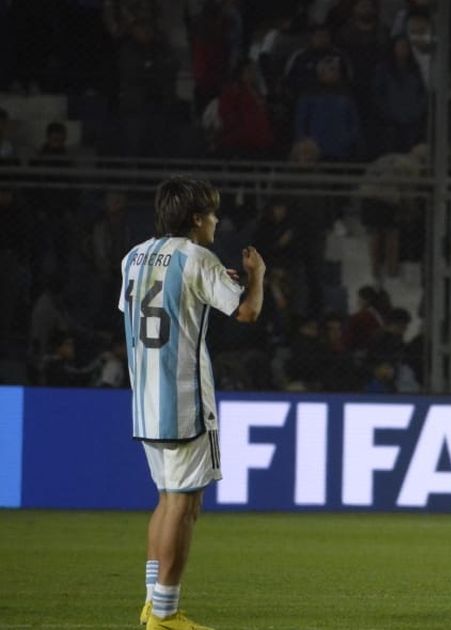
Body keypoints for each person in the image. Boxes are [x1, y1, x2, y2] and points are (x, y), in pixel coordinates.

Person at [120, 177, 265, 630]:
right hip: (182, 398)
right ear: (197, 218)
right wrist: (257, 278)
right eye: (214, 214)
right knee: (184, 505)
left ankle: (151, 605)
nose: (217, 222)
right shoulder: (198, 256)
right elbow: (246, 313)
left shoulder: (134, 256)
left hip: (144, 398)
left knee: (167, 500)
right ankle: (165, 613)